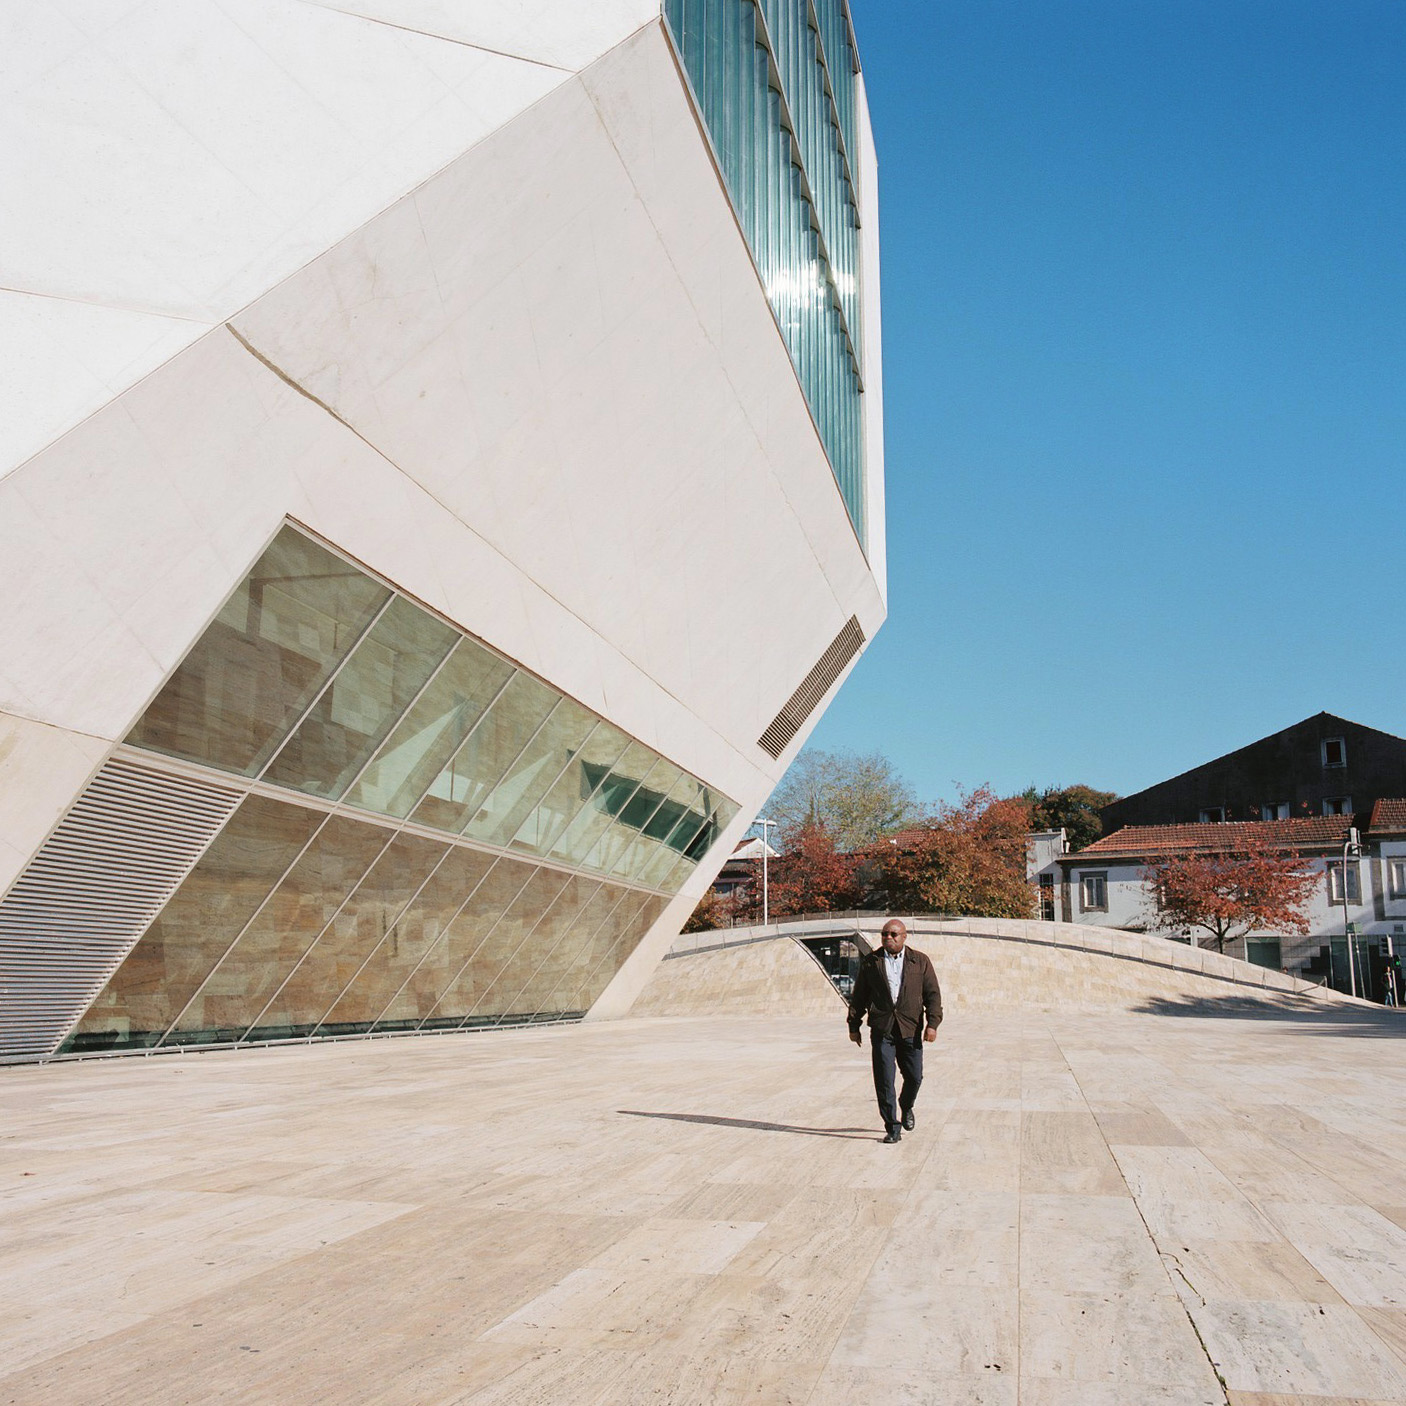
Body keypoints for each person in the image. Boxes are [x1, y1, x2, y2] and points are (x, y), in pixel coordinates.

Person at [847, 919, 942, 1143]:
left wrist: (933, 1024)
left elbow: (933, 994)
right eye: (884, 934)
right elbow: (859, 996)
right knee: (884, 1080)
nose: (888, 938)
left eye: (893, 934)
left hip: (910, 1028)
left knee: (915, 1077)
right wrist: (854, 1025)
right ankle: (892, 1126)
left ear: (904, 936)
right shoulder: (872, 962)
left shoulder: (920, 961)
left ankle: (906, 1105)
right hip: (883, 1030)